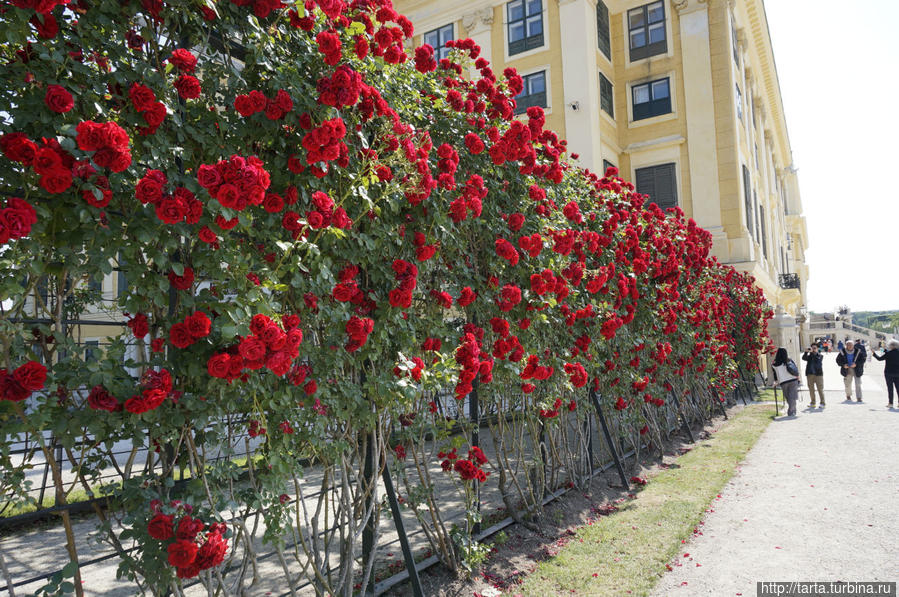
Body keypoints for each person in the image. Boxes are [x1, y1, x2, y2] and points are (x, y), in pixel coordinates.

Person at [771, 347, 799, 416]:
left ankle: (791, 411)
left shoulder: (774, 364)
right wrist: (798, 377)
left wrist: (775, 381)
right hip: (793, 380)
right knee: (792, 397)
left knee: (788, 397)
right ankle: (792, 410)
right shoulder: (789, 360)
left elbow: (775, 374)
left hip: (783, 382)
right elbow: (795, 369)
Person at [871, 339, 899, 408]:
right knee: (898, 388)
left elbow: (879, 358)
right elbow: (886, 351)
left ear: (891, 346)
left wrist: (874, 354)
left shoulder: (888, 353)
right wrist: (882, 348)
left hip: (889, 373)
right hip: (898, 373)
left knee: (890, 388)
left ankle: (890, 403)